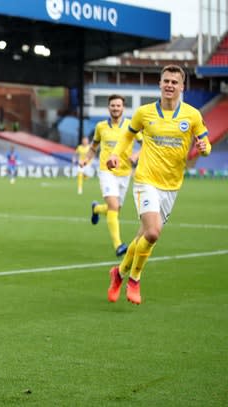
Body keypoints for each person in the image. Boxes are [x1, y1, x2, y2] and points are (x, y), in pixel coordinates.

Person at [106, 65, 211, 305]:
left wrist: (205, 149)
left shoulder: (192, 115)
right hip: (145, 180)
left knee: (143, 236)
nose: (170, 85)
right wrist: (115, 154)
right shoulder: (144, 113)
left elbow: (205, 143)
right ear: (160, 84)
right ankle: (134, 278)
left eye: (175, 82)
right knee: (153, 233)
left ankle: (118, 273)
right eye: (166, 81)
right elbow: (128, 136)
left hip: (171, 186)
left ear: (182, 86)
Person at [83, 95, 142, 257]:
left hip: (124, 173)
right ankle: (118, 245)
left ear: (123, 108)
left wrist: (136, 155)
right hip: (106, 171)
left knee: (114, 208)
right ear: (108, 108)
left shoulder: (131, 125)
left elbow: (145, 144)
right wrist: (86, 160)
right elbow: (93, 147)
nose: (115, 108)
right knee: (114, 207)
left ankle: (96, 208)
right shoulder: (101, 127)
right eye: (113, 105)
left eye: (118, 105)